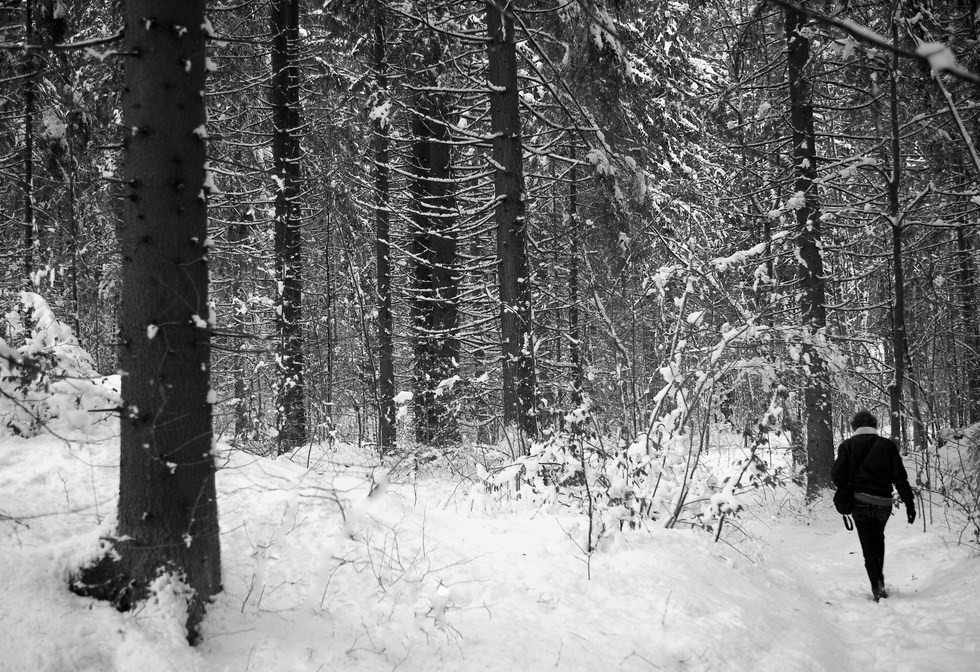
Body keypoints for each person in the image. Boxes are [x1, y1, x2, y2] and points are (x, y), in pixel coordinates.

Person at [831, 410, 916, 602]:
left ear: (855, 427)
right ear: (874, 425)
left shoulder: (847, 446)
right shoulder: (887, 445)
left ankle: (878, 588)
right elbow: (900, 477)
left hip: (860, 501)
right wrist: (909, 503)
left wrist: (848, 484)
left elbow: (837, 476)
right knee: (879, 539)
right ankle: (879, 582)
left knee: (869, 546)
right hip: (883, 504)